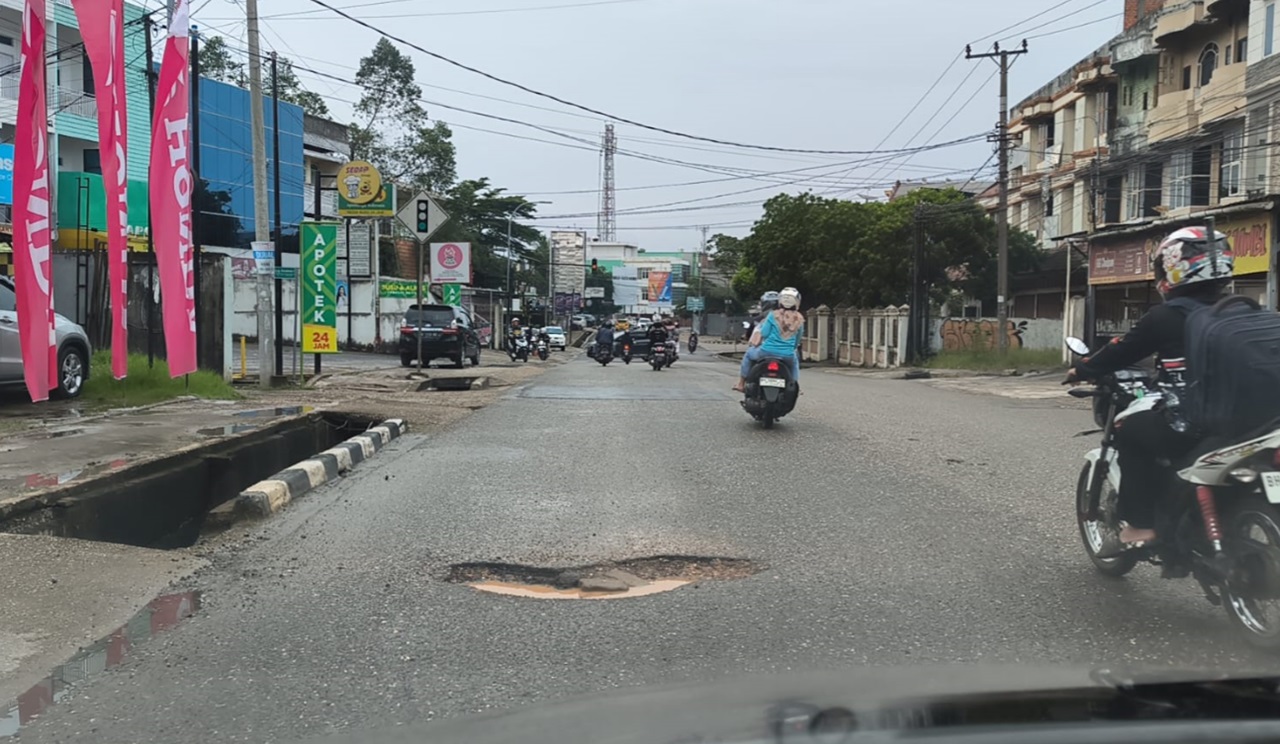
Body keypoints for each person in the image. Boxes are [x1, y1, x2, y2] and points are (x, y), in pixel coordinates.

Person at [1066, 226, 1233, 553]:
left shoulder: (1167, 316)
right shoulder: (1242, 310)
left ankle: (1142, 525)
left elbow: (1121, 351)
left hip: (1195, 419)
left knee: (1128, 428)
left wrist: (1081, 369)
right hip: (1248, 419)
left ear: (1174, 268)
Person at [735, 288, 804, 392]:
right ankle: (795, 387)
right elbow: (798, 339)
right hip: (787, 355)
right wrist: (790, 348)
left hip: (766, 352)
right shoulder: (799, 318)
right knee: (794, 364)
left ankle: (741, 384)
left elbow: (764, 333)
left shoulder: (773, 315)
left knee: (749, 354)